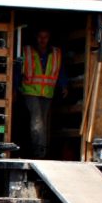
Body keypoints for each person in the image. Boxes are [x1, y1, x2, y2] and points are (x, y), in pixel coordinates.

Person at [17, 28, 67, 158]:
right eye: (40, 36)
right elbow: (18, 68)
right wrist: (15, 86)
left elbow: (60, 71)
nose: (42, 40)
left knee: (42, 122)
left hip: (47, 93)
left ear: (49, 37)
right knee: (37, 121)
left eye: (45, 37)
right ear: (36, 37)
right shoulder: (27, 51)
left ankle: (41, 151)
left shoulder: (56, 53)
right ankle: (39, 152)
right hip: (30, 91)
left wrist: (64, 85)